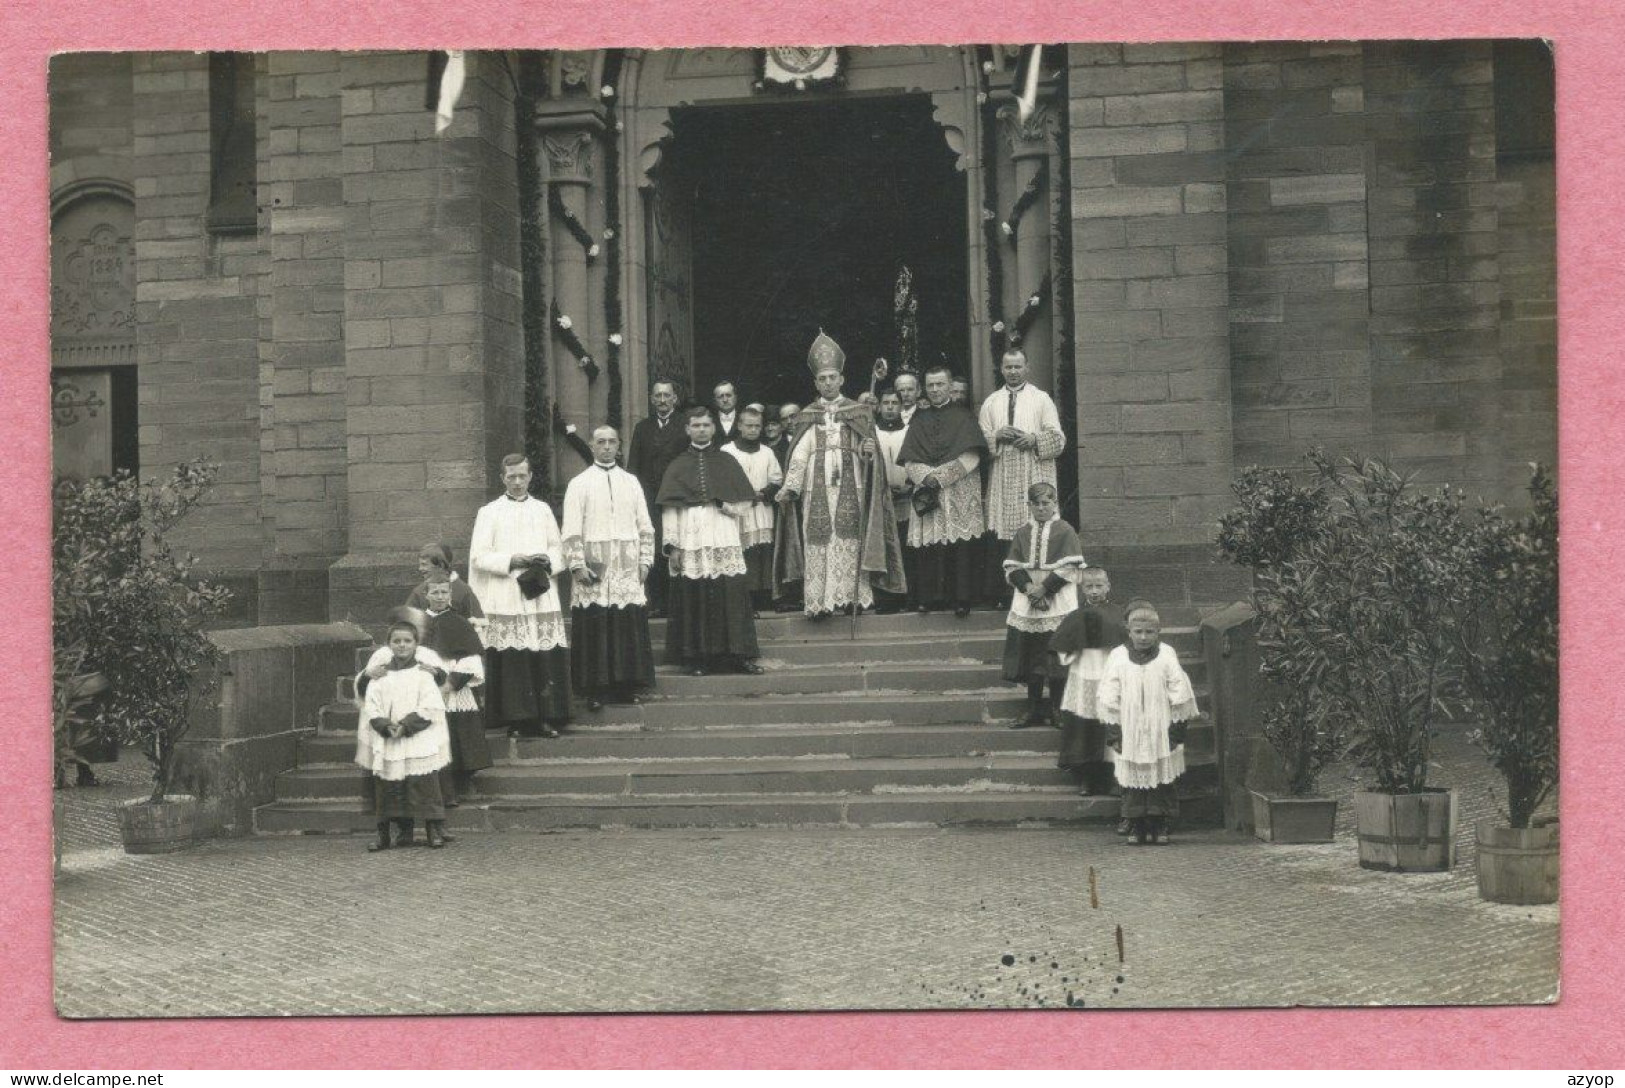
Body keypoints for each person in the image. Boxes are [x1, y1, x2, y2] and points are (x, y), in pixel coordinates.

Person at [775, 332, 906, 620]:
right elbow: (800, 454)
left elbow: (868, 457)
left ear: (842, 379)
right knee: (819, 542)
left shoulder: (858, 413)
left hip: (852, 486)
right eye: (822, 379)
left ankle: (851, 599)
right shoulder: (808, 415)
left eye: (832, 377)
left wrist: (868, 450)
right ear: (815, 383)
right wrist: (791, 486)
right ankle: (820, 602)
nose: (828, 383)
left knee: (850, 540)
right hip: (815, 489)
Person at [468, 454, 572, 739]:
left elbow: (558, 549)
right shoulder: (489, 512)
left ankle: (545, 717)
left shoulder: (542, 510)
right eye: (511, 476)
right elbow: (479, 556)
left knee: (541, 652)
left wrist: (545, 560)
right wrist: (511, 559)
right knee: (514, 656)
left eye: (522, 476)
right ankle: (516, 719)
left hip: (539, 590)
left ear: (530, 477)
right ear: (502, 478)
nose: (516, 482)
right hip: (506, 592)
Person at [657, 407, 763, 676]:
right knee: (697, 594)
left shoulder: (727, 461)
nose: (701, 429)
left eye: (706, 425)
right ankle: (698, 658)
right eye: (696, 425)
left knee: (730, 591)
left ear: (714, 429)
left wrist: (725, 505)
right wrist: (674, 546)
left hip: (723, 531)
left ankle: (739, 655)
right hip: (691, 534)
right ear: (687, 429)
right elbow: (670, 509)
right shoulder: (678, 464)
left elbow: (745, 503)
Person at [561, 426, 657, 712]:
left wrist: (645, 561)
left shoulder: (631, 482)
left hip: (626, 565)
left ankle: (626, 686)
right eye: (600, 442)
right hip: (594, 565)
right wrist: (577, 565)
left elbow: (645, 525)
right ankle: (595, 689)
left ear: (619, 446)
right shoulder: (579, 483)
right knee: (596, 624)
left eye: (611, 442)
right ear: (591, 446)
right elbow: (570, 529)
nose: (606, 447)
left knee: (625, 622)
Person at [1096, 600, 1200, 846]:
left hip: (1159, 726)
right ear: (1128, 631)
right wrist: (1115, 734)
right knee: (1133, 778)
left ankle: (1160, 822)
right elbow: (1109, 697)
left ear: (1158, 632)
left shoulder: (1167, 655)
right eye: (1138, 632)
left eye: (1149, 632)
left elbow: (1180, 694)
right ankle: (1136, 823)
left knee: (1162, 777)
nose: (1143, 637)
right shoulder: (1118, 656)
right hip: (1129, 727)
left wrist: (1175, 733)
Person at [895, 365, 987, 617]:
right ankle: (929, 598)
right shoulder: (919, 419)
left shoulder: (964, 416)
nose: (935, 390)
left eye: (940, 385)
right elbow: (910, 458)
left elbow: (972, 455)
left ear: (949, 386)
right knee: (928, 546)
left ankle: (961, 598)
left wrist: (942, 478)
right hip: (928, 489)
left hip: (957, 489)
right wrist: (925, 477)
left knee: (959, 545)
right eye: (931, 385)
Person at [355, 619, 453, 851]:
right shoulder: (380, 675)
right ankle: (387, 834)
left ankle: (433, 830)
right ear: (388, 644)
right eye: (396, 641)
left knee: (424, 784)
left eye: (407, 641)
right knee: (389, 786)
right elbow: (371, 705)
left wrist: (407, 725)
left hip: (417, 736)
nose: (402, 645)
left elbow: (430, 705)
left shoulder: (423, 674)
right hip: (389, 737)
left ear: (416, 644)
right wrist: (386, 726)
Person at [1000, 483, 1083, 729]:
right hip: (1028, 598)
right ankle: (1033, 708)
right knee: (1032, 654)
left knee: (1056, 654)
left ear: (1054, 503)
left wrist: (1045, 588)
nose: (1041, 508)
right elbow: (1012, 566)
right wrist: (1029, 590)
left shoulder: (1065, 530)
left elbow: (1071, 566)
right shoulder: (1023, 532)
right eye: (1035, 503)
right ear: (1029, 505)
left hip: (1057, 597)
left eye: (1046, 503)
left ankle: (1057, 710)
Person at [418, 575, 492, 808]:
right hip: (424, 688)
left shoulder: (460, 622)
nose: (440, 597)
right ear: (426, 595)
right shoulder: (417, 623)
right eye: (435, 593)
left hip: (451, 688)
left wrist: (449, 685)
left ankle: (454, 789)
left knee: (454, 738)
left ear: (450, 595)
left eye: (444, 592)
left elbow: (470, 659)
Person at [979, 349, 1066, 543]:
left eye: (1017, 366)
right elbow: (979, 444)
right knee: (1004, 536)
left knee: (1036, 530)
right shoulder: (991, 402)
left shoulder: (1041, 398)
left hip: (1032, 471)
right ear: (1001, 369)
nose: (1013, 371)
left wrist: (1034, 440)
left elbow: (1058, 440)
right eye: (1008, 367)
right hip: (1003, 475)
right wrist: (996, 436)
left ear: (1027, 368)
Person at [1049, 566, 1121, 797]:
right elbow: (1062, 648)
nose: (1094, 591)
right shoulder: (1075, 616)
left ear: (1108, 586)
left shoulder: (1117, 614)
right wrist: (1072, 648)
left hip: (1110, 674)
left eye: (1099, 586)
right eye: (1089, 586)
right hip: (1083, 674)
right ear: (1082, 589)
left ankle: (1112, 777)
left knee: (1112, 724)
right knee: (1084, 727)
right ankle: (1087, 778)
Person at [627, 380, 690, 616]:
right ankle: (657, 602)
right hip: (650, 497)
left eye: (667, 395)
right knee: (653, 546)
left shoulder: (685, 424)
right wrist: (634, 496)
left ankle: (677, 603)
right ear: (652, 399)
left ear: (675, 398)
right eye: (658, 396)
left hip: (677, 496)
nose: (662, 400)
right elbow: (633, 465)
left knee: (676, 544)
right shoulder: (642, 428)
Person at [722, 406, 783, 611]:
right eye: (748, 425)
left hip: (761, 511)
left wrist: (764, 493)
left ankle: (762, 599)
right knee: (740, 555)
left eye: (757, 426)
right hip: (736, 513)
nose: (753, 430)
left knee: (761, 555)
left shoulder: (767, 452)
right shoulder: (727, 451)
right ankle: (742, 602)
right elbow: (722, 481)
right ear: (739, 426)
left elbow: (777, 480)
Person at [872, 388, 913, 614]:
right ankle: (885, 597)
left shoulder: (909, 431)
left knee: (905, 547)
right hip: (881, 500)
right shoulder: (872, 433)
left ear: (901, 406)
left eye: (894, 403)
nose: (889, 407)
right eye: (885, 403)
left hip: (905, 498)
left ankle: (905, 595)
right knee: (884, 548)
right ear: (879, 406)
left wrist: (908, 484)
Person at [405, 543, 485, 627]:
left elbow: (478, 622)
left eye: (424, 565)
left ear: (440, 565)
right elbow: (405, 621)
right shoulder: (419, 591)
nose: (420, 569)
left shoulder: (463, 590)